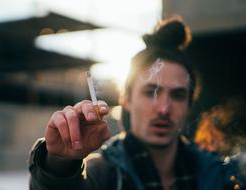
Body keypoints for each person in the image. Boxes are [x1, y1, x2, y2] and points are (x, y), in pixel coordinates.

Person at [28, 17, 243, 190]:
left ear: (189, 105)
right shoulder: (104, 175)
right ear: (127, 99)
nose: (164, 109)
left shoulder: (220, 175)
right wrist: (59, 165)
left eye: (177, 95)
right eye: (151, 92)